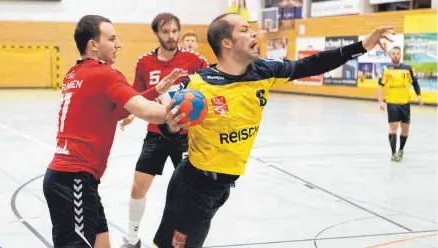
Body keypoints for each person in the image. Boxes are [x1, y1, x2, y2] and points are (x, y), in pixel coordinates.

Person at [154, 13, 396, 247]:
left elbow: (312, 64)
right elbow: (168, 127)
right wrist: (172, 129)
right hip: (193, 188)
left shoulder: (264, 71)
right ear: (226, 43)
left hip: (220, 188)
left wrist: (363, 45)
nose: (254, 33)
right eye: (245, 30)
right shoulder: (198, 85)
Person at [42, 15, 188, 248]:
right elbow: (147, 112)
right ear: (94, 45)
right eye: (111, 38)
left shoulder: (75, 74)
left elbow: (113, 110)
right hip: (75, 180)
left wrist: (154, 90)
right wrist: (182, 112)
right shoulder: (105, 74)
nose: (118, 44)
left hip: (73, 180)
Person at [118, 13, 208, 248]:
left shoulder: (194, 60)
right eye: (165, 32)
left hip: (186, 137)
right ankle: (132, 238)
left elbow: (210, 88)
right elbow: (135, 96)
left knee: (190, 191)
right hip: (157, 134)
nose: (171, 36)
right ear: (156, 33)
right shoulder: (144, 63)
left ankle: (182, 240)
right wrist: (128, 114)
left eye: (174, 31)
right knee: (138, 185)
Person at [377, 46, 423, 162]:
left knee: (405, 129)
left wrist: (418, 96)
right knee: (393, 126)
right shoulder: (386, 69)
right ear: (390, 55)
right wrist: (381, 101)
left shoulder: (407, 69)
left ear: (400, 55)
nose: (396, 55)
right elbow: (380, 86)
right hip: (392, 103)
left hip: (405, 103)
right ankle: (393, 153)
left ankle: (401, 149)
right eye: (393, 53)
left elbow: (415, 83)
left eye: (398, 53)